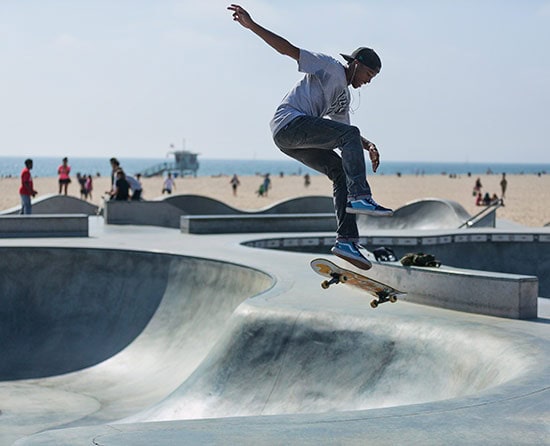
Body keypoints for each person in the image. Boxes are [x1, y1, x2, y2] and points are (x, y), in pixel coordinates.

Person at [228, 4, 393, 270]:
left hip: (295, 142)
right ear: (356, 64)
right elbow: (288, 50)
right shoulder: (329, 66)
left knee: (339, 169)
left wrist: (368, 145)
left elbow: (344, 135)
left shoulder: (343, 96)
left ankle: (346, 241)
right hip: (290, 124)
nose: (368, 81)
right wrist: (252, 25)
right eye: (368, 75)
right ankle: (361, 196)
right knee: (349, 138)